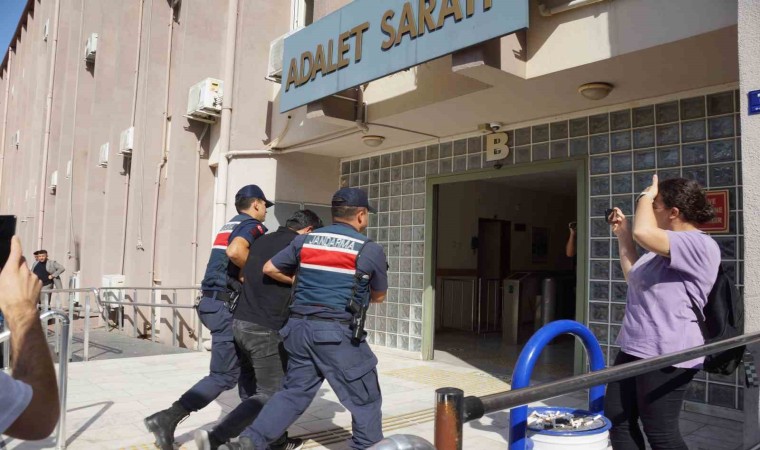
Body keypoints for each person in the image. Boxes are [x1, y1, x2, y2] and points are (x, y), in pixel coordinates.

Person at [220, 187, 389, 450]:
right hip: (336, 335)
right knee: (366, 399)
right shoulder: (369, 249)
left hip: (297, 331)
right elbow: (379, 296)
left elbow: (271, 267)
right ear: (360, 214)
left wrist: (301, 283)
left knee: (292, 394)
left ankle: (250, 442)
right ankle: (367, 446)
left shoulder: (304, 241)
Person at [144, 184, 273, 450]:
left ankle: (254, 430)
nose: (265, 212)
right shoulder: (253, 226)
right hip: (225, 306)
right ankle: (166, 419)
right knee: (224, 375)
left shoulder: (230, 224)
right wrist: (256, 275)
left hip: (213, 302)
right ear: (256, 204)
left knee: (246, 369)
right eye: (264, 206)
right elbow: (236, 252)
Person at [604, 175, 720, 450]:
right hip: (634, 347)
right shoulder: (659, 251)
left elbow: (643, 233)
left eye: (655, 206)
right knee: (618, 420)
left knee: (661, 433)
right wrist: (623, 234)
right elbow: (633, 275)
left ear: (673, 212)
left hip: (669, 352)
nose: (649, 210)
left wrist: (645, 195)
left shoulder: (699, 244)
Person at [194, 210, 323, 450]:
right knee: (271, 393)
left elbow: (245, 274)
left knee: (254, 388)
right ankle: (217, 437)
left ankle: (273, 442)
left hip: (239, 323)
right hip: (264, 328)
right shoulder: (298, 246)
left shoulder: (262, 240)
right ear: (309, 230)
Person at [0, 236, 60, 440]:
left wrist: (51, 276)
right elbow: (39, 418)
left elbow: (59, 270)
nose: (40, 257)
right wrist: (22, 309)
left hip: (47, 287)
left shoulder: (51, 263)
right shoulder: (35, 265)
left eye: (42, 255)